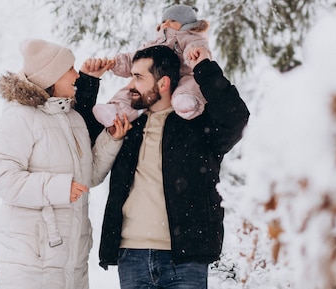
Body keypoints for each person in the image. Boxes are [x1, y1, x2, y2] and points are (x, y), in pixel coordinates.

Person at [96, 44, 250, 289]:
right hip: (131, 256)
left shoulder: (197, 127)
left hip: (184, 258)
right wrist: (89, 82)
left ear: (163, 83)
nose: (130, 86)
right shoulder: (127, 127)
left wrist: (204, 68)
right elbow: (83, 141)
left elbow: (235, 118)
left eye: (138, 77)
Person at [0, 38, 131, 289]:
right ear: (52, 77)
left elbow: (86, 179)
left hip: (71, 263)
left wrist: (111, 140)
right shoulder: (19, 117)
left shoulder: (73, 119)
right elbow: (4, 179)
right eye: (70, 69)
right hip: (31, 262)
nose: (77, 75)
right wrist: (59, 188)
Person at [92, 4, 211, 127]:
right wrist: (119, 62)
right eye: (164, 21)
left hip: (186, 75)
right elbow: (139, 58)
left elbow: (198, 50)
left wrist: (192, 54)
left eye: (172, 21)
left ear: (188, 24)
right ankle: (115, 111)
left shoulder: (194, 39)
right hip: (158, 80)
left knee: (188, 87)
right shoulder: (157, 42)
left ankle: (187, 104)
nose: (166, 24)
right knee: (134, 91)